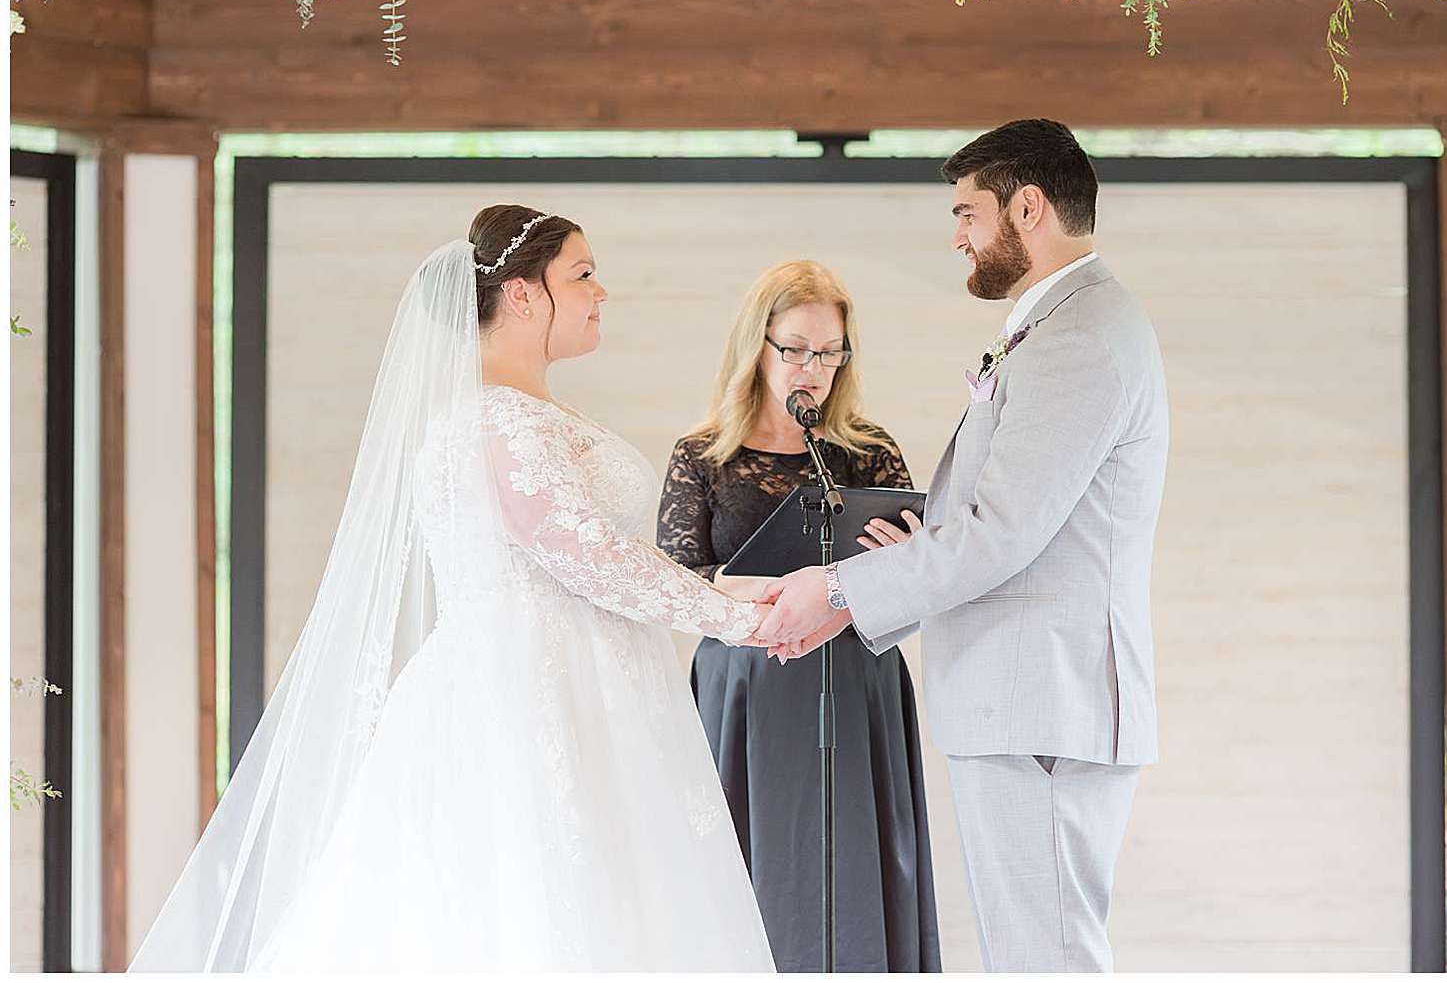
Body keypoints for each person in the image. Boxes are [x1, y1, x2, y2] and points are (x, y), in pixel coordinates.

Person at [130, 205, 777, 971]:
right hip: (524, 698)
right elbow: (587, 553)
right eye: (582, 274)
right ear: (523, 295)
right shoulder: (495, 422)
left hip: (593, 692)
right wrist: (740, 619)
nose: (602, 292)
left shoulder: (532, 412)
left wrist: (755, 592)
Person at [759, 120, 1170, 973]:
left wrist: (837, 589)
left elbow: (999, 534)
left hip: (1041, 705)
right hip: (1027, 701)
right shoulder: (1064, 325)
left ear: (1027, 208)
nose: (956, 236)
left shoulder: (1080, 338)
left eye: (967, 213)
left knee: (1043, 958)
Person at [657, 260, 942, 972]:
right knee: (750, 869)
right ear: (757, 345)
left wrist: (904, 562)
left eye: (828, 351)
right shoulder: (702, 455)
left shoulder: (866, 451)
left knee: (853, 860)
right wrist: (769, 600)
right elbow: (675, 579)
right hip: (745, 689)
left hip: (854, 682)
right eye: (795, 348)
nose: (811, 368)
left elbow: (921, 575)